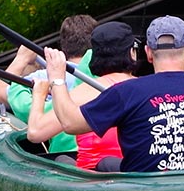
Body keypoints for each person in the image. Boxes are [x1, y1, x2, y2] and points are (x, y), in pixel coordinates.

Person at [42, 15, 184, 172]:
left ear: (147, 53)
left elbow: (69, 123)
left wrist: (57, 78)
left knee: (65, 162)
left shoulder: (127, 92)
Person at [22, 21, 135, 170]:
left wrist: (39, 94)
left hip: (93, 176)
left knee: (61, 159)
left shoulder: (86, 92)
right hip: (133, 170)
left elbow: (35, 133)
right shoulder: (144, 89)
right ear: (132, 53)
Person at [0, 15, 96, 157]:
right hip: (106, 161)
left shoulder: (43, 77)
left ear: (63, 45)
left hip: (66, 159)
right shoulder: (109, 78)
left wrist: (22, 59)